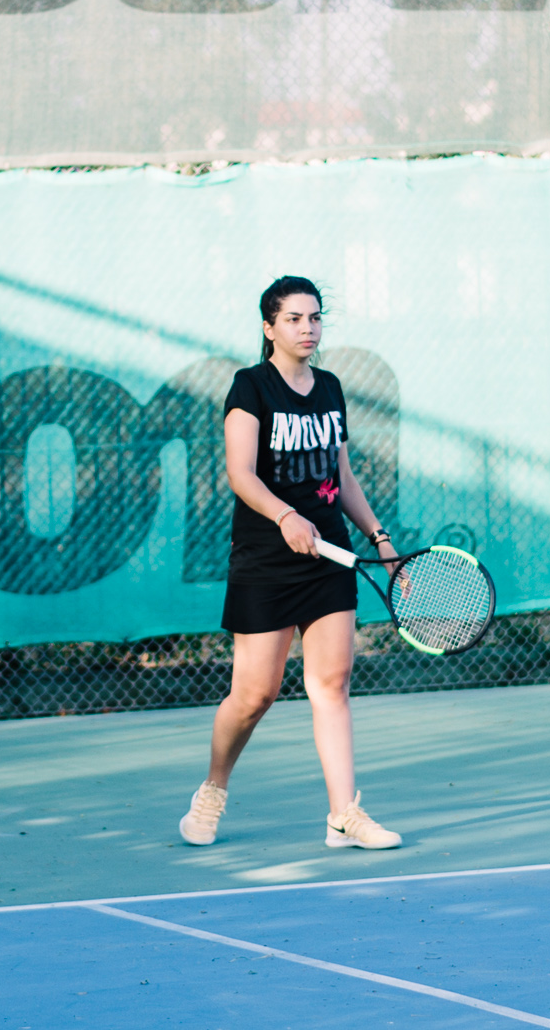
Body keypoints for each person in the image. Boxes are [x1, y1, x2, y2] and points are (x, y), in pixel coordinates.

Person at [178, 275, 404, 850]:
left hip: (329, 556)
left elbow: (341, 476)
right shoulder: (250, 387)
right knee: (255, 695)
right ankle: (213, 788)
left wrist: (378, 537)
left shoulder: (329, 388)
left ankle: (344, 815)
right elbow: (240, 473)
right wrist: (285, 517)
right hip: (265, 561)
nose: (308, 328)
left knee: (332, 685)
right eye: (294, 319)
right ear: (269, 327)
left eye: (315, 317)